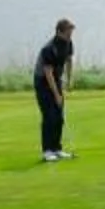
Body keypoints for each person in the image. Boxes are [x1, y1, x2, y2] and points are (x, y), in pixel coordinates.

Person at [34, 17, 75, 161]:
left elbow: (69, 61)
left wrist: (69, 81)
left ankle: (57, 149)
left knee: (59, 116)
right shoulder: (49, 48)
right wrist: (57, 94)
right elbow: (48, 73)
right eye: (68, 31)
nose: (70, 34)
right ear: (59, 32)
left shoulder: (68, 43)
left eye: (71, 31)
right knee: (49, 116)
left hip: (56, 79)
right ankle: (47, 151)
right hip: (43, 82)